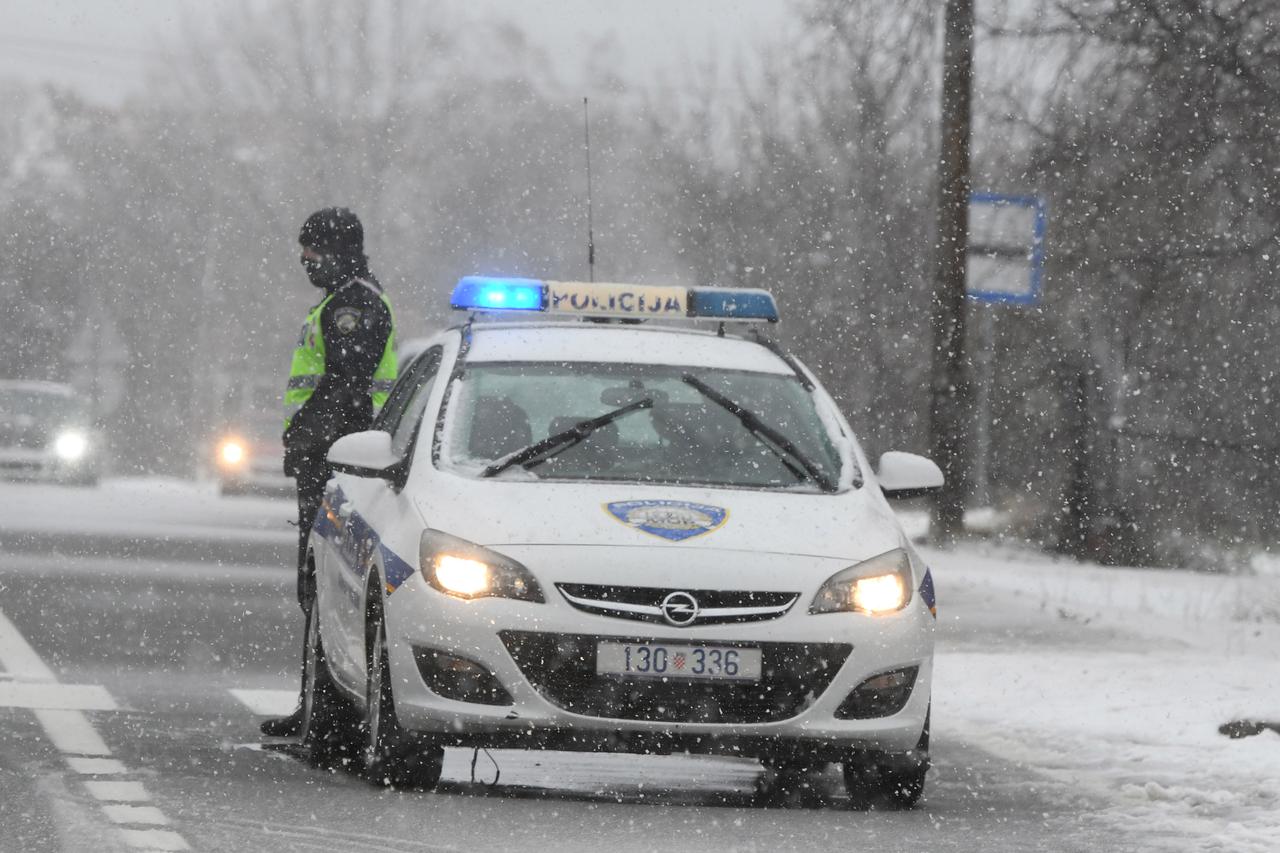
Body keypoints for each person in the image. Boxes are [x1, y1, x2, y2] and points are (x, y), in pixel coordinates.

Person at [260, 207, 397, 737]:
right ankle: (316, 705)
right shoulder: (339, 302)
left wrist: (308, 437)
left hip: (339, 462)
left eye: (313, 249)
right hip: (331, 458)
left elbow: (346, 383)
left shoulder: (355, 306)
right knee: (316, 582)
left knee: (325, 580)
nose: (306, 259)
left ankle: (328, 715)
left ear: (339, 250)